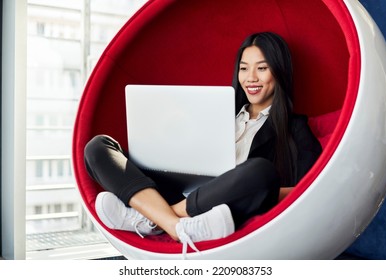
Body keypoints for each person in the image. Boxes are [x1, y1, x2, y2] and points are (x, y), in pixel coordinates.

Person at [84, 32, 322, 255]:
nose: (251, 78)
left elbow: (311, 189)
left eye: (261, 68)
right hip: (179, 191)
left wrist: (260, 191)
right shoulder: (217, 112)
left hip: (225, 203)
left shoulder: (295, 127)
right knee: (98, 147)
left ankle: (152, 219)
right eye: (243, 68)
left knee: (261, 172)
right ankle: (174, 224)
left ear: (279, 72)